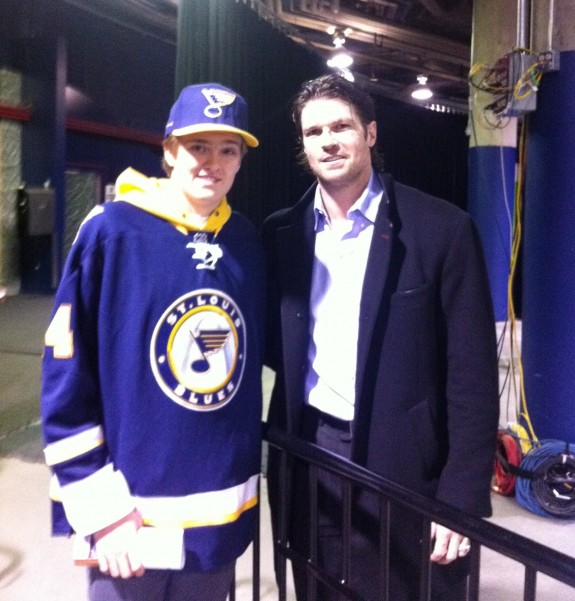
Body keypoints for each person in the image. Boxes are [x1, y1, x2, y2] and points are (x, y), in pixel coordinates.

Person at [263, 74, 499, 600]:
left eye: (341, 126)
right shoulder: (281, 234)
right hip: (310, 457)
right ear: (302, 146)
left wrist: (460, 499)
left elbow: (473, 377)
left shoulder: (442, 229)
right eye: (313, 131)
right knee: (319, 588)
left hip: (406, 463)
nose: (328, 141)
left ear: (370, 133)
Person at [40, 83, 265, 601]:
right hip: (129, 524)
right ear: (168, 152)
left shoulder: (246, 241)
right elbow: (66, 379)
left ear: (239, 161)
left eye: (228, 150)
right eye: (198, 147)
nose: (213, 162)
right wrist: (102, 510)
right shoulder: (112, 231)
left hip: (216, 525)